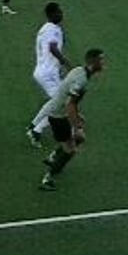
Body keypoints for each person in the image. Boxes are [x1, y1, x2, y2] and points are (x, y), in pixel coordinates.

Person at [37, 48, 108, 191]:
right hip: (58, 116)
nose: (103, 62)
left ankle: (54, 157)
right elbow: (70, 105)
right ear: (93, 62)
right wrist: (77, 128)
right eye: (101, 59)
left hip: (59, 112)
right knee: (71, 150)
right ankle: (47, 178)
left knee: (78, 140)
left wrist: (77, 115)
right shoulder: (81, 80)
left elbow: (69, 98)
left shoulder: (79, 71)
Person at [26, 3, 71, 148]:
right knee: (61, 104)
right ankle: (36, 130)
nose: (61, 14)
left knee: (56, 102)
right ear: (51, 14)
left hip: (47, 72)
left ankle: (33, 125)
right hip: (47, 74)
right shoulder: (51, 30)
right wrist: (66, 63)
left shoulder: (47, 29)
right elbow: (52, 48)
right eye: (59, 12)